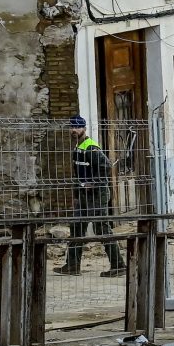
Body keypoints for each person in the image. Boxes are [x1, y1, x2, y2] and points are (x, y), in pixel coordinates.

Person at [60, 117, 125, 276]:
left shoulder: (91, 147)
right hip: (83, 195)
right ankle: (72, 266)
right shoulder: (78, 148)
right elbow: (78, 175)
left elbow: (106, 166)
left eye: (77, 127)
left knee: (101, 228)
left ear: (84, 128)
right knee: (76, 227)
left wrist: (93, 183)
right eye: (72, 127)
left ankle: (118, 266)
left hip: (97, 195)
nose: (74, 130)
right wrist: (77, 194)